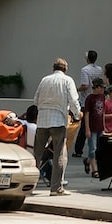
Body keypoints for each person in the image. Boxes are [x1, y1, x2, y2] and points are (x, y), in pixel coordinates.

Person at [34, 56, 82, 195]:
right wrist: (77, 113)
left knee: (37, 155)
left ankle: (29, 185)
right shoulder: (68, 80)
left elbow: (36, 100)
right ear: (65, 69)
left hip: (42, 120)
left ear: (53, 68)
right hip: (58, 120)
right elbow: (73, 100)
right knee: (59, 155)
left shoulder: (44, 80)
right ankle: (56, 188)